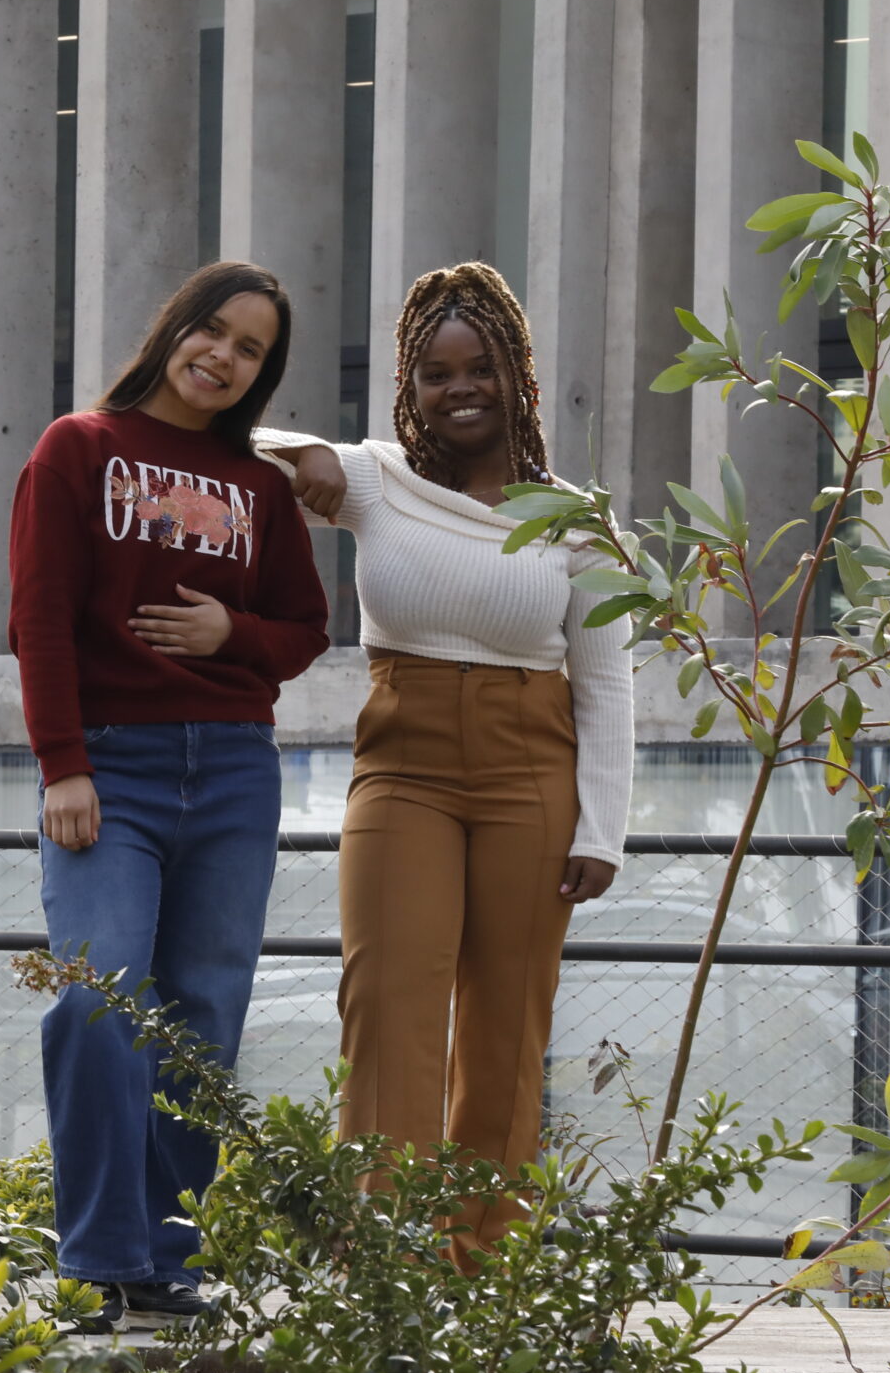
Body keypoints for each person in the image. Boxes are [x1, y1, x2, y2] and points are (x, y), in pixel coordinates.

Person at [259, 261, 633, 1253]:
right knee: (388, 1009)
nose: (458, 388)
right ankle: (382, 1267)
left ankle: (478, 1265)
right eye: (434, 372)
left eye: (479, 368)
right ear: (406, 386)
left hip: (530, 772)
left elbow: (606, 685)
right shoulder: (375, 482)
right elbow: (234, 443)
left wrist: (602, 829)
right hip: (403, 769)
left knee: (508, 1031)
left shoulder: (578, 520)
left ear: (519, 376)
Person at [7, 260, 331, 1331]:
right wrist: (62, 765)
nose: (224, 358)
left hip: (235, 767)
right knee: (100, 998)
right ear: (174, 328)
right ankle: (99, 1259)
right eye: (214, 331)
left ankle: (165, 1258)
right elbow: (39, 618)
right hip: (112, 762)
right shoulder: (79, 448)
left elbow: (306, 631)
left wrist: (230, 632)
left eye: (250, 350)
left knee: (202, 1017)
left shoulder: (263, 492)